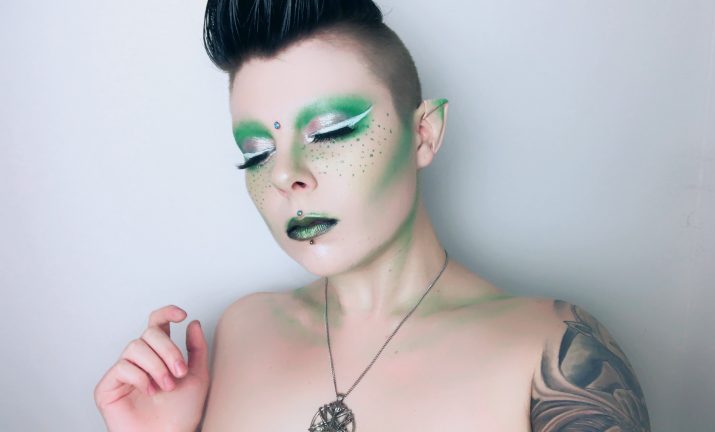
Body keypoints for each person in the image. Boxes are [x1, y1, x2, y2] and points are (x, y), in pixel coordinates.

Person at [93, 0, 652, 430]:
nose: (286, 175)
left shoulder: (554, 355)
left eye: (330, 132)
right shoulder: (241, 333)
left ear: (424, 134)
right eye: (257, 153)